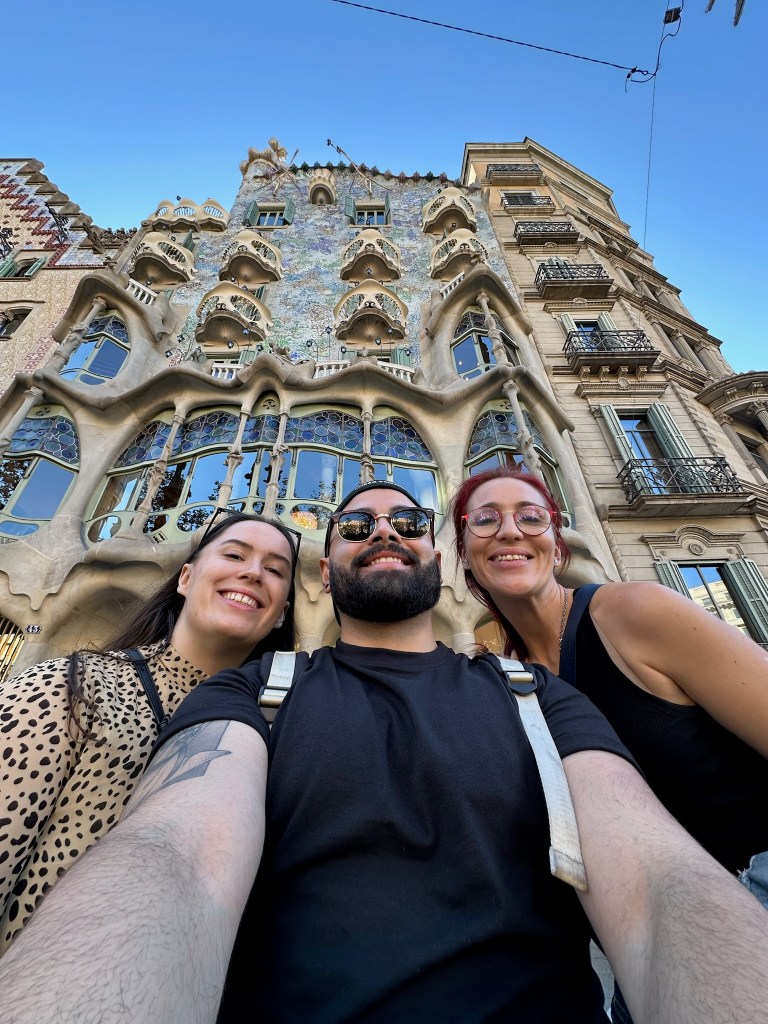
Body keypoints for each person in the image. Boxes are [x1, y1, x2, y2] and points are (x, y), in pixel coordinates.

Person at [2, 482, 768, 1024]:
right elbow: (174, 854)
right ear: (328, 572)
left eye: (407, 520)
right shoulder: (254, 694)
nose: (385, 533)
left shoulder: (534, 695)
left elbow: (655, 879)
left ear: (441, 558)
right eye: (356, 527)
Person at [449, 466, 768, 1021]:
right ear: (464, 551)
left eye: (530, 516)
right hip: (646, 941)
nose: (509, 531)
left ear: (557, 539)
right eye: (485, 519)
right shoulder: (511, 678)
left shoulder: (632, 612)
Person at [0, 508, 298, 957]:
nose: (253, 573)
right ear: (185, 579)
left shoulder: (275, 737)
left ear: (282, 614)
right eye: (235, 554)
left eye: (275, 570)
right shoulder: (72, 687)